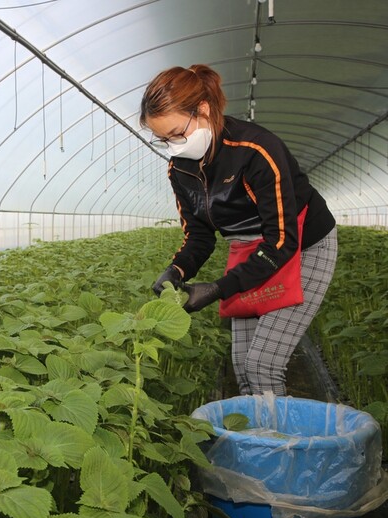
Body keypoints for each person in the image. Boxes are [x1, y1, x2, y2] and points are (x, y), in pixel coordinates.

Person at [139, 65, 337, 396]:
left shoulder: (256, 150)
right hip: (249, 251)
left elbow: (281, 242)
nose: (173, 147)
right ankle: (255, 444)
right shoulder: (180, 170)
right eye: (163, 140)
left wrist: (218, 288)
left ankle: (277, 446)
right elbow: (200, 236)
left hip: (302, 245)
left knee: (263, 364)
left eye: (176, 133)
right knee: (243, 364)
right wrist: (176, 269)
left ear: (202, 109)